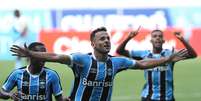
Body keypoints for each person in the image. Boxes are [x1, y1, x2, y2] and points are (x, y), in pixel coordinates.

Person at [10, 27, 188, 101]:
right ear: (93, 44)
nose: (107, 41)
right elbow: (57, 56)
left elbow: (141, 65)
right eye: (102, 39)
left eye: (108, 38)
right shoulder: (82, 60)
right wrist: (30, 53)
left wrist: (167, 59)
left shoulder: (116, 63)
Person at [116, 29, 197, 101]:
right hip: (148, 97)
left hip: (167, 97)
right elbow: (120, 51)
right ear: (151, 40)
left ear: (163, 41)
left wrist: (182, 40)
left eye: (160, 36)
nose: (157, 38)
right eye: (155, 36)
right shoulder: (143, 54)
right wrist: (128, 37)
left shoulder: (171, 53)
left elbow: (193, 55)